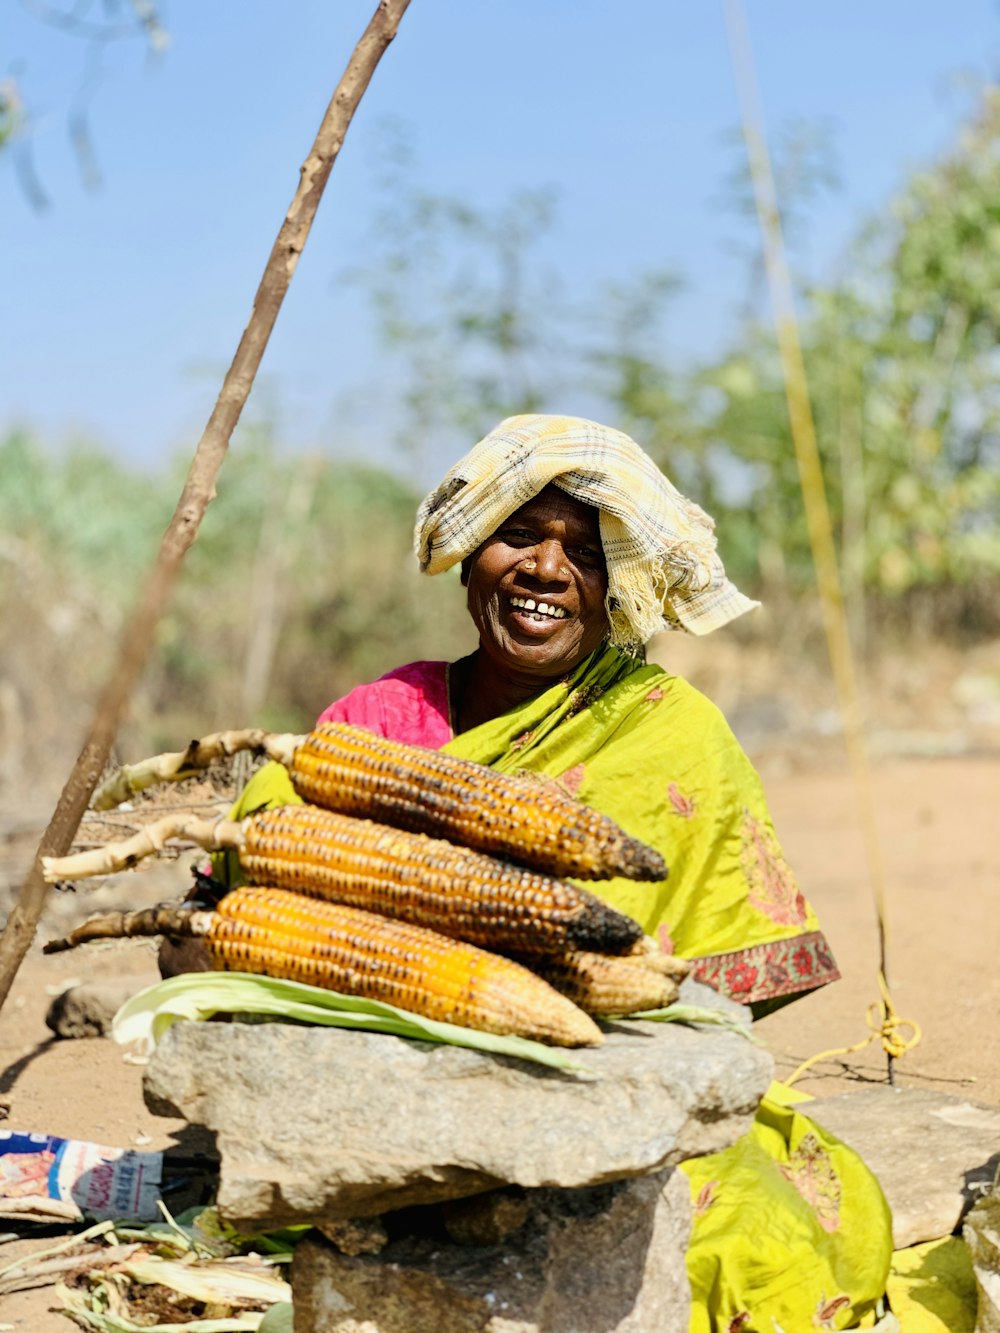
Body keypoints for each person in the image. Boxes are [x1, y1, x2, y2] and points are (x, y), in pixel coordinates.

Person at [231, 413, 893, 1330]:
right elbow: (252, 890)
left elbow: (724, 983)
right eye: (518, 535)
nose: (547, 568)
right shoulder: (378, 718)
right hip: (394, 1093)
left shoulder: (669, 726)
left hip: (615, 1090)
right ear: (468, 558)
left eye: (582, 551)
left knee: (750, 1246)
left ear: (613, 590)